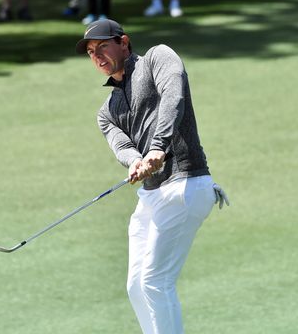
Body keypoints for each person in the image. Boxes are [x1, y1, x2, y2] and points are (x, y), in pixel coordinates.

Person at [75, 18, 229, 334]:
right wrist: (135, 162)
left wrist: (158, 147)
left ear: (124, 42)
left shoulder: (159, 57)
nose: (97, 56)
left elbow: (174, 98)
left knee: (155, 281)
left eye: (103, 46)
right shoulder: (107, 111)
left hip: (186, 182)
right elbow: (122, 146)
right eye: (91, 52)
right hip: (151, 194)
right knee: (136, 285)